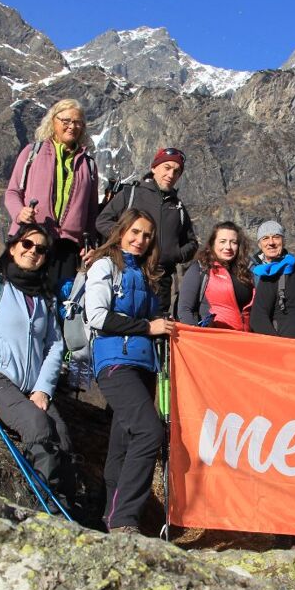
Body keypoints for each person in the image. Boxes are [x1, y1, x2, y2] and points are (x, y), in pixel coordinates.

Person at [0, 223, 75, 510]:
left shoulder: (45, 298)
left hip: (31, 385)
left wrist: (43, 389)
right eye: (27, 245)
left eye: (41, 250)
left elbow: (55, 346)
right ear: (13, 247)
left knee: (64, 438)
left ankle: (68, 505)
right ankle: (47, 507)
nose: (33, 252)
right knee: (37, 425)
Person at [84, 208, 175, 534]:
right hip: (115, 362)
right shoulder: (105, 266)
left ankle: (112, 517)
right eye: (135, 232)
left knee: (122, 443)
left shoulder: (146, 275)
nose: (140, 240)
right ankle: (125, 518)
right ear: (121, 232)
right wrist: (148, 328)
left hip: (144, 365)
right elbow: (97, 316)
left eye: (147, 235)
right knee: (149, 432)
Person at [5, 99, 99, 291]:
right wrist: (19, 213)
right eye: (66, 120)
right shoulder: (32, 153)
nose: (72, 126)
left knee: (58, 305)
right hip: (31, 240)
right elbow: (13, 192)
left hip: (68, 248)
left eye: (77, 122)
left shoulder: (88, 165)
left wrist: (89, 244)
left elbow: (91, 212)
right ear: (53, 121)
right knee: (21, 296)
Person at [96, 147, 197, 314]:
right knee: (127, 320)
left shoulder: (178, 206)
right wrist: (126, 238)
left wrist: (176, 254)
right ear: (154, 168)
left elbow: (191, 242)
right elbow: (102, 221)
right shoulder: (131, 194)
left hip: (161, 280)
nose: (171, 175)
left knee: (158, 329)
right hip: (126, 272)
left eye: (177, 171)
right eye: (167, 168)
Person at [176, 221, 254, 330]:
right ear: (213, 243)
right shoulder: (200, 269)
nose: (228, 247)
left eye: (233, 242)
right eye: (222, 241)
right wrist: (195, 335)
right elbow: (185, 310)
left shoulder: (247, 271)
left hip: (246, 339)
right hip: (213, 340)